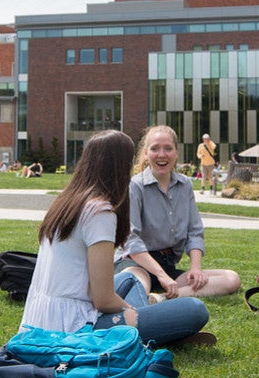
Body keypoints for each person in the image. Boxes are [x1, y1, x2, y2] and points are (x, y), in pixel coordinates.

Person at [20, 130, 214, 346]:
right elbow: (103, 299)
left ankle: (158, 330)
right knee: (194, 309)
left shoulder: (67, 201)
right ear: (119, 167)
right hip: (74, 326)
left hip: (42, 317)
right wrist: (132, 312)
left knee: (130, 279)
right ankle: (158, 335)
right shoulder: (100, 213)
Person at [115, 125, 241, 299]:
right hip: (135, 263)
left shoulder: (185, 185)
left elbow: (194, 231)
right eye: (155, 148)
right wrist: (161, 275)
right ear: (146, 153)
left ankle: (161, 299)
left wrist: (196, 269)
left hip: (168, 266)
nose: (161, 154)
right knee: (137, 290)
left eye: (168, 148)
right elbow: (131, 240)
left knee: (231, 279)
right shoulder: (134, 186)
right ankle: (148, 295)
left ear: (176, 153)